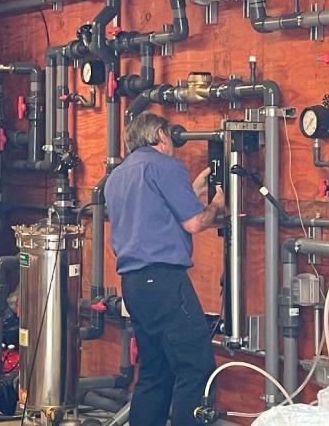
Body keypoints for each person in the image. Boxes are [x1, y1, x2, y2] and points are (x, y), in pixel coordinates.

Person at [104, 112, 225, 426]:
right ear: (159, 134)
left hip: (133, 284)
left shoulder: (118, 175)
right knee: (195, 367)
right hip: (164, 281)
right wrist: (216, 206)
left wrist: (194, 190)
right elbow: (195, 222)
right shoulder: (166, 166)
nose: (174, 143)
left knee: (155, 371)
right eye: (171, 135)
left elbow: (154, 210)